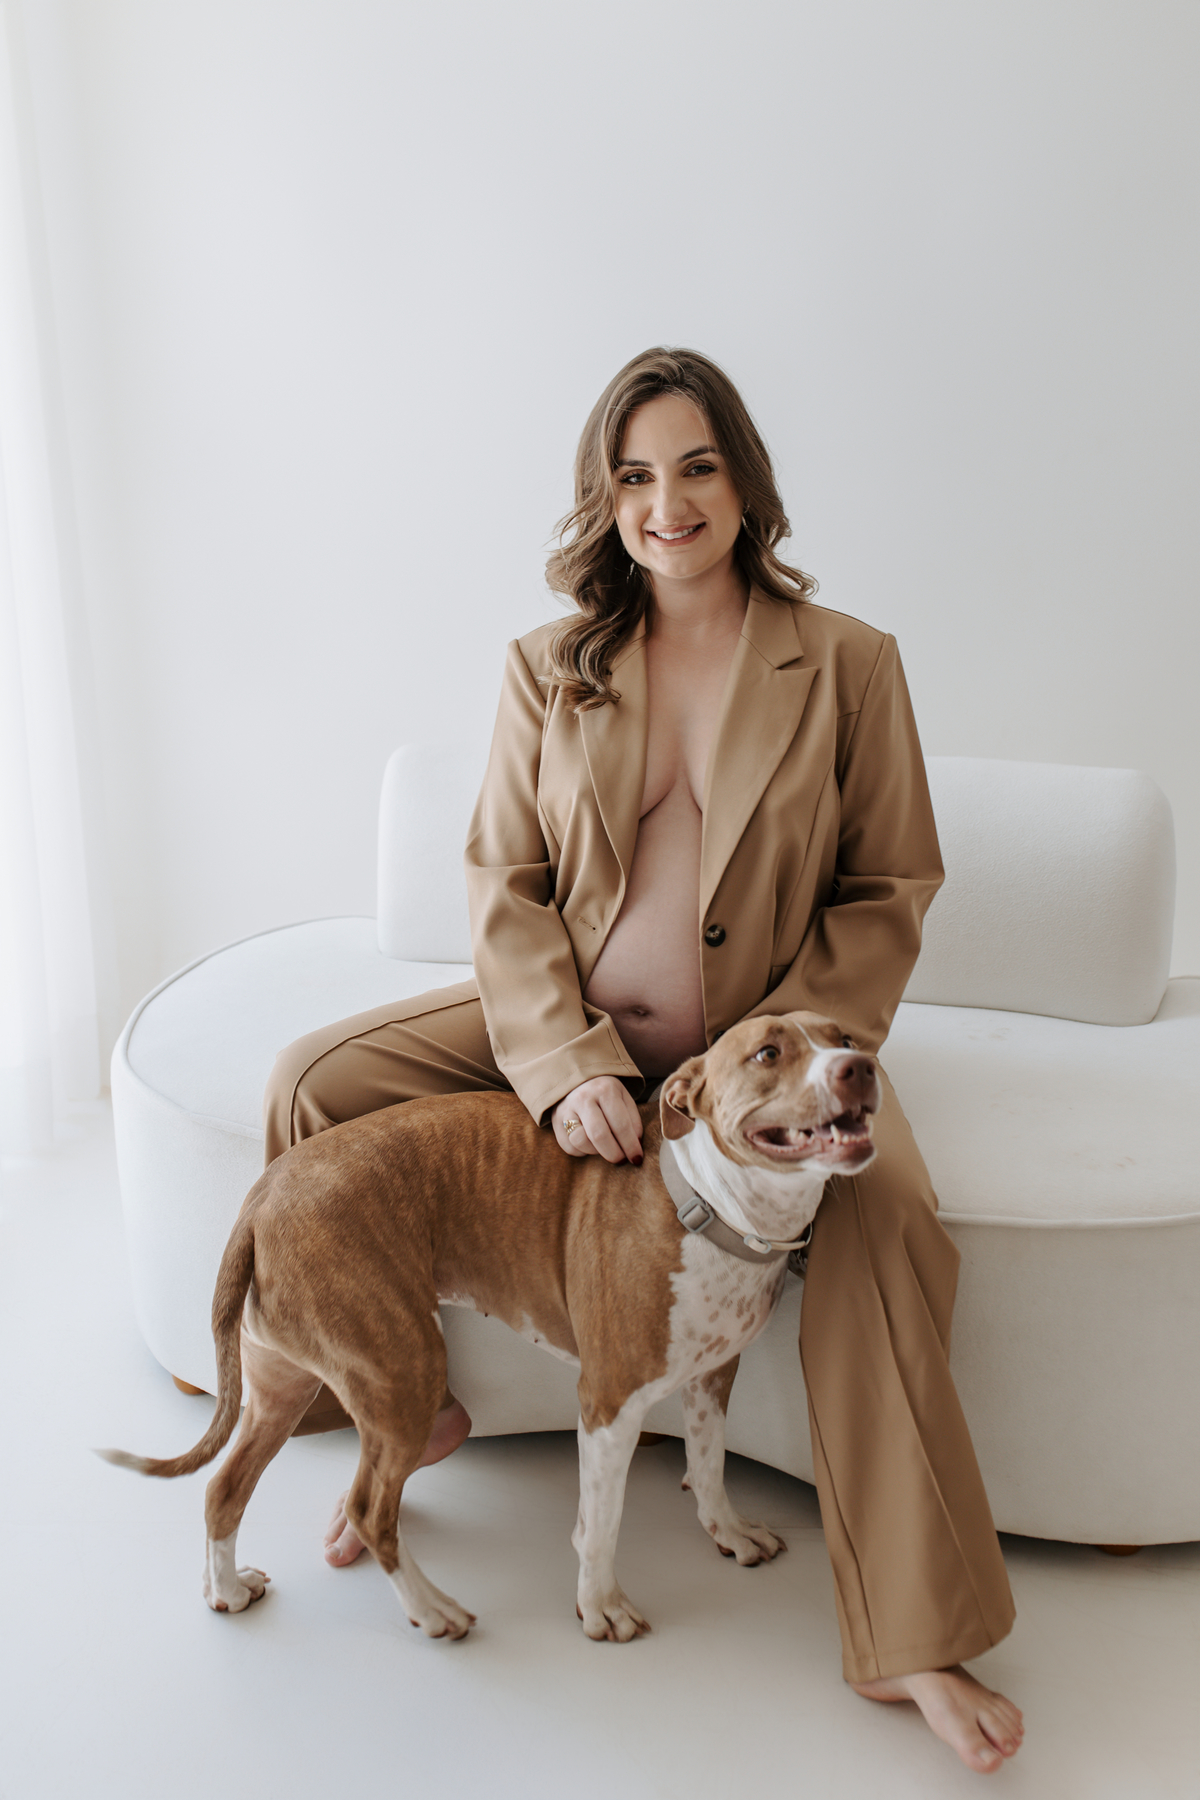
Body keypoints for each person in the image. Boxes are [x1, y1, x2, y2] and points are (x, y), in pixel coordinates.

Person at [263, 347, 1023, 1775]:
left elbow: (892, 885)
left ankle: (913, 1634)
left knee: (888, 1221)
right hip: (581, 1026)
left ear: (744, 483)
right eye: (634, 477)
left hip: (769, 1056)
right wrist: (564, 1065)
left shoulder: (849, 664)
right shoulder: (548, 666)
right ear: (604, 501)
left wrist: (768, 1065)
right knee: (317, 1084)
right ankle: (394, 1402)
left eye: (696, 467)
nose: (667, 504)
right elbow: (505, 882)